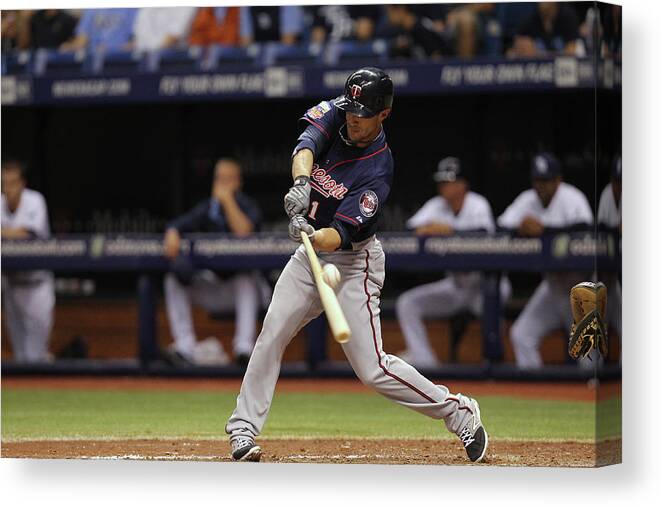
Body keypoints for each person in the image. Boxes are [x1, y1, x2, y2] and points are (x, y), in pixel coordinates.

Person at [226, 68, 488, 464]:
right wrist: (301, 185)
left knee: (373, 370)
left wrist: (310, 236)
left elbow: (338, 235)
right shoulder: (339, 112)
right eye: (351, 109)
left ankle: (459, 411)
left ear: (384, 114)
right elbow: (306, 144)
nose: (353, 117)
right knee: (272, 332)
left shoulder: (377, 169)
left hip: (352, 262)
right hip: (309, 259)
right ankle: (242, 429)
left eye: (363, 113)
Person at [396, 156, 509, 368]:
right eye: (442, 182)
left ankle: (494, 366)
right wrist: (426, 230)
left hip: (485, 286)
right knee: (408, 303)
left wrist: (450, 232)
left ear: (462, 184)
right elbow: (410, 229)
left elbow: (484, 234)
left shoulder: (477, 204)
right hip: (456, 286)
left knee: (495, 317)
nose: (444, 186)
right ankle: (425, 362)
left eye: (449, 181)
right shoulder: (436, 205)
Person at [163, 158, 266, 367]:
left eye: (228, 179)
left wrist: (227, 201)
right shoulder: (208, 208)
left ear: (239, 182)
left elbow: (243, 231)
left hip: (254, 292)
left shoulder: (247, 205)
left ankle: (244, 350)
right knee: (172, 281)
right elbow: (180, 223)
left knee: (245, 279)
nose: (222, 184)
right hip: (218, 288)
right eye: (219, 179)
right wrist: (173, 231)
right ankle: (185, 347)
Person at [497, 153, 593, 369]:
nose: (540, 186)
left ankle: (588, 398)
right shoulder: (527, 199)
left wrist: (545, 231)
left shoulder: (572, 198)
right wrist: (520, 228)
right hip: (551, 288)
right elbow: (500, 226)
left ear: (558, 180)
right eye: (537, 181)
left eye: (546, 181)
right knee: (522, 334)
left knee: (589, 354)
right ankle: (537, 393)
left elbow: (585, 231)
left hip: (579, 288)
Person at [1, 160, 55, 363]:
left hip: (36, 286)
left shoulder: (35, 200)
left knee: (36, 355)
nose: (8, 189)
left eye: (12, 183)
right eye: (4, 183)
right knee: (19, 355)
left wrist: (5, 233)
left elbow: (26, 233)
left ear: (22, 183)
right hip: (10, 285)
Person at [597, 156, 622, 346]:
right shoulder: (607, 194)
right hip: (610, 278)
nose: (620, 186)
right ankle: (591, 374)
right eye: (617, 181)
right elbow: (602, 233)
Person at [508, 2, 580, 57]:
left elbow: (571, 49)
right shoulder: (530, 19)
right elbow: (511, 52)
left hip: (563, 68)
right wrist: (521, 50)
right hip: (539, 70)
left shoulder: (567, 16)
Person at [60, 8, 137, 52]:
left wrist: (114, 50)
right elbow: (81, 40)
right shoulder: (92, 9)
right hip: (93, 59)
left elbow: (134, 42)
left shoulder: (132, 10)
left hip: (120, 60)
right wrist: (69, 47)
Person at [132, 7, 197, 52]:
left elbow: (173, 38)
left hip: (173, 61)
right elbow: (137, 40)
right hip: (143, 60)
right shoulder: (146, 8)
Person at [239, 6, 304, 46]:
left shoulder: (289, 7)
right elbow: (246, 43)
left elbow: (288, 43)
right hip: (258, 56)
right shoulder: (246, 7)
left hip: (282, 57)